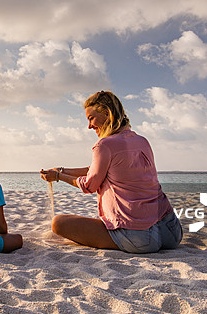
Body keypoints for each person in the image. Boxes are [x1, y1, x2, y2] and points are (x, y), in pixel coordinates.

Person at [40, 91, 182, 254]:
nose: (89, 126)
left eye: (91, 118)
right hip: (171, 231)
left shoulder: (104, 145)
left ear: (107, 114)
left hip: (139, 238)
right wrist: (61, 171)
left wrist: (59, 177)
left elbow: (89, 185)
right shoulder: (142, 141)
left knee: (58, 223)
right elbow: (99, 170)